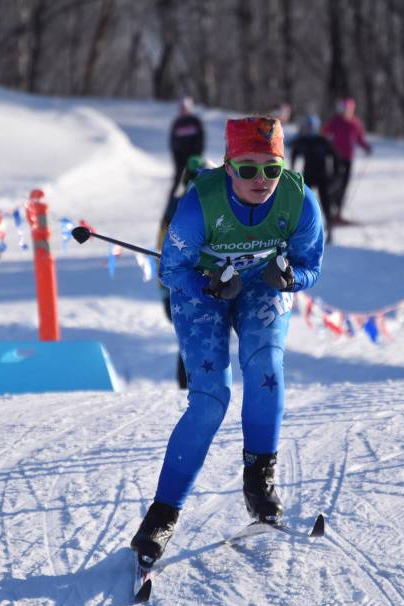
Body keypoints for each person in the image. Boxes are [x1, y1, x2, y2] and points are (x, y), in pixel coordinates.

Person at [130, 117, 324, 567]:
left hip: (263, 287)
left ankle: (260, 482)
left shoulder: (299, 202)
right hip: (204, 290)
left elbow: (312, 264)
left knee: (266, 371)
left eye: (271, 169)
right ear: (228, 166)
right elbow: (172, 271)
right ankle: (162, 513)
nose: (261, 180)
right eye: (248, 168)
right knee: (210, 399)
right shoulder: (200, 205)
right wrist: (209, 287)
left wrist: (292, 277)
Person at [156, 154, 210, 389]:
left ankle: (191, 384)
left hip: (179, 282)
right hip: (187, 280)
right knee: (198, 332)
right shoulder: (200, 203)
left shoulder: (177, 202)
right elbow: (163, 245)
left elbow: (160, 244)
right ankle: (192, 385)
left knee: (190, 333)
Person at [322, 97, 371, 224]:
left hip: (349, 158)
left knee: (344, 185)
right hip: (335, 157)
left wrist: (366, 147)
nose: (345, 112)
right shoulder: (335, 121)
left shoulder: (355, 123)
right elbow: (324, 132)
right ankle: (331, 212)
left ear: (352, 110)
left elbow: (360, 139)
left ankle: (338, 213)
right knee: (335, 184)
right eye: (343, 109)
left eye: (347, 109)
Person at [289, 114, 337, 240]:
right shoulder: (302, 140)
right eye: (308, 126)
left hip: (323, 177)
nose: (310, 129)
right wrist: (293, 171)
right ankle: (301, 230)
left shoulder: (323, 140)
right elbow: (293, 150)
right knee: (303, 203)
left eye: (312, 126)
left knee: (325, 203)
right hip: (308, 176)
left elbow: (335, 157)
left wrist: (334, 175)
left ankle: (330, 230)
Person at [168, 97, 206, 201]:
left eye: (185, 108)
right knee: (178, 180)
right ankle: (172, 204)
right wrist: (176, 157)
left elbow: (201, 139)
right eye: (181, 108)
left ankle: (193, 200)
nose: (183, 110)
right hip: (180, 158)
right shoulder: (177, 123)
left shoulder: (195, 122)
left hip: (194, 158)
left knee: (193, 180)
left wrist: (197, 155)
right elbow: (173, 142)